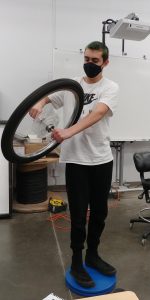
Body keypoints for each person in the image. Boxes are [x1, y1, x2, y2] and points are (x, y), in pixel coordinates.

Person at [29, 41, 119, 288]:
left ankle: (93, 255)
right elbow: (50, 95)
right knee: (78, 216)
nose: (90, 64)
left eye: (95, 61)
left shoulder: (110, 87)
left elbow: (97, 113)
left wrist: (68, 132)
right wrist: (39, 103)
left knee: (99, 213)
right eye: (87, 59)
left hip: (101, 159)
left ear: (106, 63)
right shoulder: (72, 85)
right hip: (77, 161)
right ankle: (78, 261)